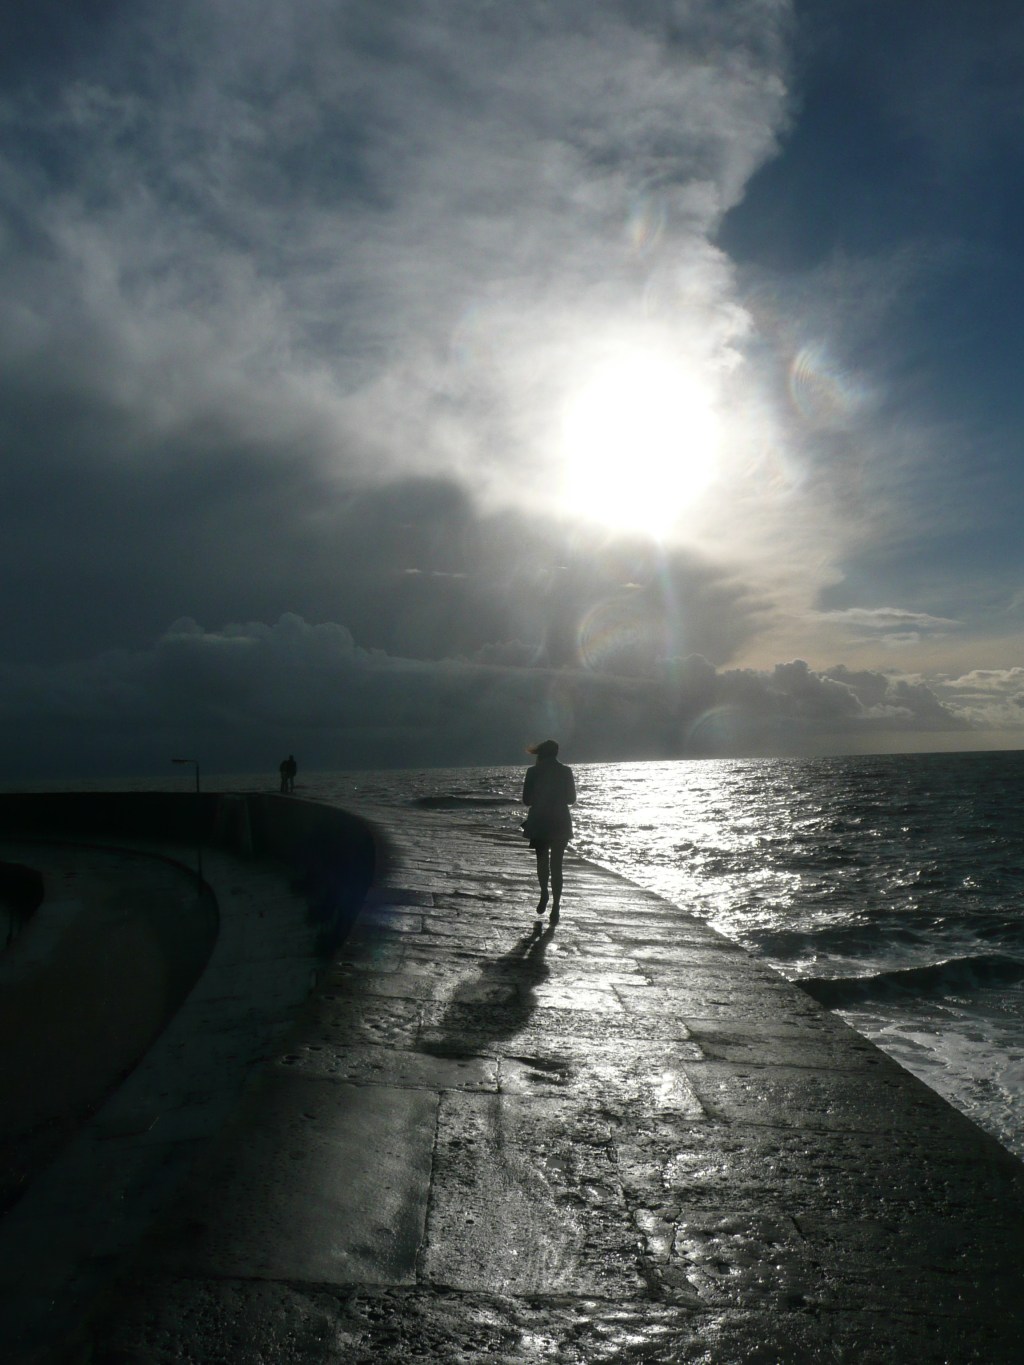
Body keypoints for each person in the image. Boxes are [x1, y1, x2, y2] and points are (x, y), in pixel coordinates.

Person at [521, 739, 576, 919]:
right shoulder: (566, 771)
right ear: (556, 753)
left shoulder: (533, 772)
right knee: (557, 865)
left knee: (542, 861)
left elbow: (526, 800)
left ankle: (544, 892)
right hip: (560, 821)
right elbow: (571, 799)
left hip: (540, 820)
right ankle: (556, 906)